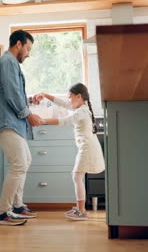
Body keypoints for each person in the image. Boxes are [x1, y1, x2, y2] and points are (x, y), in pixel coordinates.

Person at [0, 30, 42, 226]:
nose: (28, 53)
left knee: (25, 160)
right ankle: (4, 213)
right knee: (19, 163)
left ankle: (17, 206)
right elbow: (11, 93)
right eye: (27, 48)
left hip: (11, 120)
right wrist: (29, 114)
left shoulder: (10, 63)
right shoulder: (8, 61)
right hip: (6, 121)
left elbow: (12, 93)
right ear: (18, 44)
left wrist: (29, 101)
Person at [34, 83, 105, 220]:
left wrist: (43, 120)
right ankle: (80, 209)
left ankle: (81, 211)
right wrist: (44, 94)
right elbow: (63, 104)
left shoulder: (82, 111)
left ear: (79, 96)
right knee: (77, 176)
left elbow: (66, 121)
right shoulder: (80, 107)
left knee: (76, 176)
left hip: (87, 148)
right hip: (86, 147)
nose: (68, 100)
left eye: (70, 97)